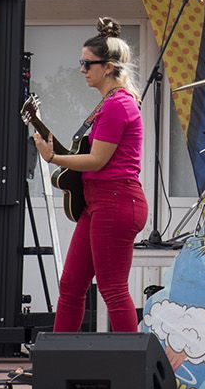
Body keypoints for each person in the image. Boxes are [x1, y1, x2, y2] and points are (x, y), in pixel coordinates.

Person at [36, 18, 148, 333]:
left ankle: (130, 366)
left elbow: (98, 160)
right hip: (103, 201)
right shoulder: (110, 104)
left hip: (115, 199)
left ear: (108, 67)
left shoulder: (117, 105)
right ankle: (60, 361)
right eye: (81, 63)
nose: (82, 69)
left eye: (87, 63)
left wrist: (53, 156)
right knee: (71, 285)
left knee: (112, 288)